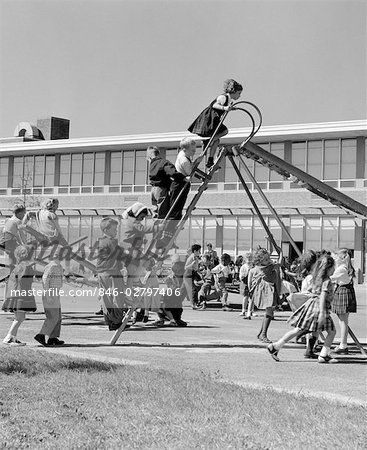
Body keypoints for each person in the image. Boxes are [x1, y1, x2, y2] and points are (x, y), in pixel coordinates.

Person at [267, 254, 337, 364]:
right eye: (333, 267)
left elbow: (310, 289)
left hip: (312, 305)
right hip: (320, 307)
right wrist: (322, 313)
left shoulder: (316, 278)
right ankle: (324, 355)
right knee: (332, 332)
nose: (334, 270)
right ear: (328, 268)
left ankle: (276, 346)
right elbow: (323, 295)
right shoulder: (327, 281)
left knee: (299, 329)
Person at [188, 79, 243, 168]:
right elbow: (215, 105)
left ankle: (210, 160)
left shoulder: (229, 100)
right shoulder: (223, 97)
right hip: (209, 119)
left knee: (217, 140)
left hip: (214, 119)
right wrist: (225, 108)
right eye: (239, 93)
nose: (239, 96)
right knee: (224, 131)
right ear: (234, 91)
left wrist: (230, 108)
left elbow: (224, 108)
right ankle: (208, 141)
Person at [95, 217, 127, 331]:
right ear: (106, 230)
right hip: (112, 272)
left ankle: (110, 320)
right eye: (114, 229)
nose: (116, 231)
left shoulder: (101, 241)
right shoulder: (111, 242)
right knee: (117, 296)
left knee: (106, 297)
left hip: (103, 272)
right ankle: (116, 321)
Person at [2, 245, 37, 346]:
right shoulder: (25, 266)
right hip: (20, 294)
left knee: (19, 317)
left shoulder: (20, 265)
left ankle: (13, 338)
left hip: (15, 293)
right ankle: (8, 338)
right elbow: (23, 279)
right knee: (20, 318)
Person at [247, 248, 282, 343]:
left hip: (262, 293)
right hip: (267, 293)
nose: (268, 260)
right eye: (266, 259)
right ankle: (263, 334)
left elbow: (249, 283)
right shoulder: (268, 267)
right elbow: (280, 263)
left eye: (268, 258)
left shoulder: (255, 269)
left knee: (269, 313)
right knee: (269, 312)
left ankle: (261, 333)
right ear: (260, 260)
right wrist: (280, 252)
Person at [34, 247, 65, 346]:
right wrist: (48, 295)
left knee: (58, 317)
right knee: (53, 317)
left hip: (56, 293)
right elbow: (45, 280)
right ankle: (41, 335)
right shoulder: (51, 266)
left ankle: (52, 338)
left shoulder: (59, 266)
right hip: (50, 293)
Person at [146, 146, 185, 219]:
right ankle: (162, 228)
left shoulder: (152, 164)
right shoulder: (163, 162)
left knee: (156, 212)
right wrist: (183, 177)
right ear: (158, 154)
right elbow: (172, 172)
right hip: (161, 189)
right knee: (162, 211)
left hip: (153, 190)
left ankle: (156, 227)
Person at [330, 248, 357, 355]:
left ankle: (343, 345)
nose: (334, 258)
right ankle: (343, 344)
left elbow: (331, 278)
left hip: (343, 291)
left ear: (341, 258)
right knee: (343, 321)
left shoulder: (341, 268)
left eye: (336, 256)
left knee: (343, 321)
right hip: (345, 291)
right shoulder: (345, 267)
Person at [0, 204, 27, 272]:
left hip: (3, 241)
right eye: (23, 214)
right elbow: (22, 234)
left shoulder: (8, 219)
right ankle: (16, 273)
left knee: (13, 256)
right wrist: (25, 244)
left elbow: (16, 235)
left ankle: (13, 272)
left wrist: (21, 244)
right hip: (9, 241)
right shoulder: (18, 221)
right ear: (19, 213)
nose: (24, 216)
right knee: (20, 255)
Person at [183, 244, 201, 309]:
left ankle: (175, 302)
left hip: (193, 274)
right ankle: (194, 304)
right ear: (195, 251)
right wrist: (191, 264)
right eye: (199, 251)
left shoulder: (195, 257)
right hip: (188, 274)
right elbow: (185, 267)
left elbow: (196, 268)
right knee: (194, 289)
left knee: (183, 291)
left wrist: (200, 272)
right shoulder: (191, 257)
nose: (200, 252)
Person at [239, 252, 253, 319]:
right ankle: (243, 310)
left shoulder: (253, 266)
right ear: (245, 259)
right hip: (245, 283)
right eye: (248, 258)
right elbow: (241, 276)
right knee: (245, 297)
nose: (249, 260)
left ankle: (250, 311)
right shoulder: (243, 267)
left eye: (250, 258)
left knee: (251, 298)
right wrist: (243, 277)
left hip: (252, 283)